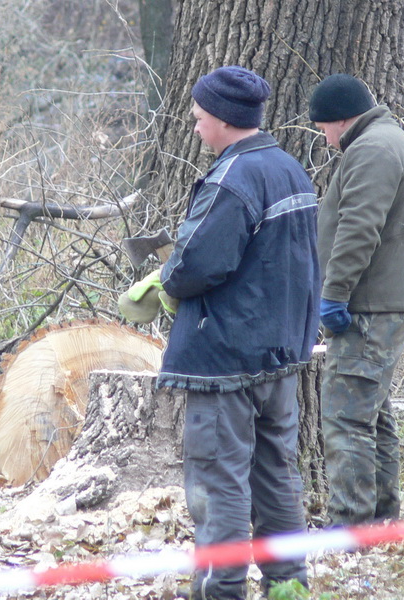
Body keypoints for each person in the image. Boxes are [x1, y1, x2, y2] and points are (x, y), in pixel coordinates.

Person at [151, 65, 321, 599]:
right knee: (277, 478)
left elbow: (196, 264)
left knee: (218, 482)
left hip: (225, 360)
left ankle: (220, 591)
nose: (195, 124)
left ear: (224, 119)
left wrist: (163, 281)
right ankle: (289, 588)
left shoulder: (232, 179)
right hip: (280, 356)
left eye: (199, 116)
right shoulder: (290, 169)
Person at [308, 74, 404, 526]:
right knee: (371, 417)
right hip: (380, 303)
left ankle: (350, 528)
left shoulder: (372, 148)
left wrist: (334, 294)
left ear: (341, 118)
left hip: (367, 307)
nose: (325, 138)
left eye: (324, 127)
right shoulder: (389, 140)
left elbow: (359, 229)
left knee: (346, 419)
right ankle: (380, 524)